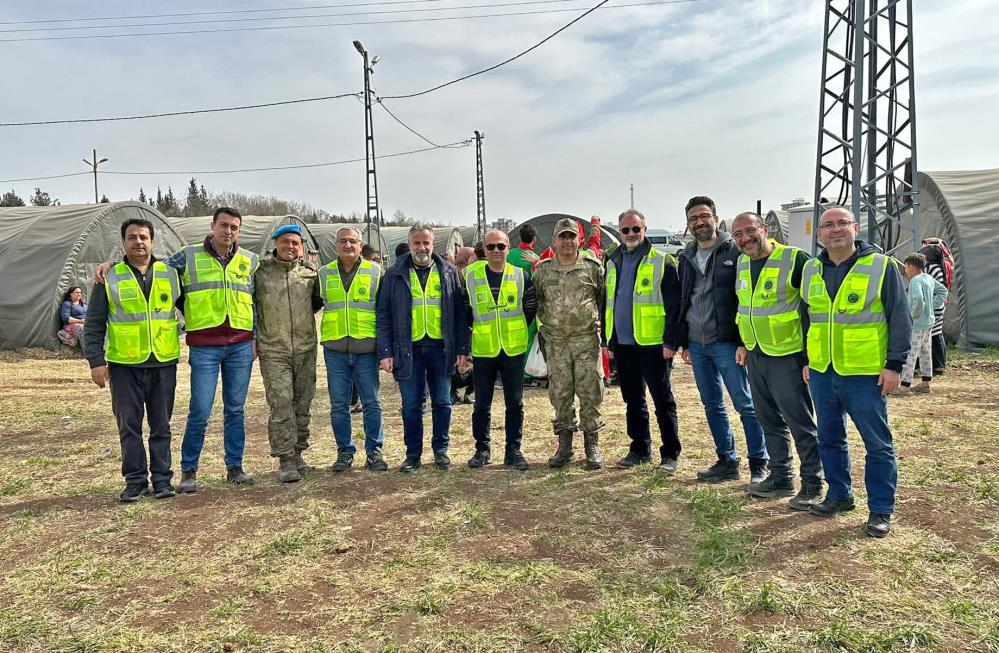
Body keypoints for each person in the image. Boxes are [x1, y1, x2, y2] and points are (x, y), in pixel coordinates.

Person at [802, 207, 910, 538]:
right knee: (830, 438)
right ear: (819, 233)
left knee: (877, 444)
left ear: (855, 228)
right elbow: (809, 317)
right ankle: (839, 494)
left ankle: (880, 509)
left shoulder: (880, 267)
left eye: (842, 223)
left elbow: (899, 316)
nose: (836, 229)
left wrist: (894, 365)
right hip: (823, 371)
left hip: (864, 374)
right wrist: (808, 359)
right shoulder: (811, 269)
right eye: (828, 225)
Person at [669, 196, 769, 484]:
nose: (699, 222)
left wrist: (742, 341)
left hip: (727, 342)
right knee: (712, 404)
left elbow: (744, 297)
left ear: (715, 217)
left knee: (745, 403)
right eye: (693, 219)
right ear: (688, 225)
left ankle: (759, 461)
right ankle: (727, 459)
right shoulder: (686, 257)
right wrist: (684, 342)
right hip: (698, 345)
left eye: (704, 216)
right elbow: (683, 299)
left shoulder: (734, 252)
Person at [731, 212, 825, 509]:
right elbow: (746, 306)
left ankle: (813, 482)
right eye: (738, 235)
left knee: (799, 421)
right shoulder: (742, 262)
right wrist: (743, 344)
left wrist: (810, 357)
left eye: (750, 231)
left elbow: (815, 309)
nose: (745, 239)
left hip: (787, 355)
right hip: (756, 355)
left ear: (765, 229)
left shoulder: (795, 260)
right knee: (768, 419)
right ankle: (781, 477)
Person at [84, 218, 182, 502]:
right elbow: (94, 323)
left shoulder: (171, 273)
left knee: (161, 425)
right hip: (124, 364)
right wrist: (95, 361)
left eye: (143, 237)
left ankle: (163, 480)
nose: (138, 242)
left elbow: (192, 307)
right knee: (129, 425)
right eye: (132, 237)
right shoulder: (110, 277)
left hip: (163, 361)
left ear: (152, 241)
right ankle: (135, 480)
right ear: (123, 242)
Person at [167, 207, 260, 492]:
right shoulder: (188, 255)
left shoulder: (250, 260)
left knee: (235, 409)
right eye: (224, 226)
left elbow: (256, 300)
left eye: (234, 227)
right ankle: (189, 471)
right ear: (212, 226)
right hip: (205, 346)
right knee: (200, 409)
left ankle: (235, 466)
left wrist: (255, 337)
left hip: (241, 346)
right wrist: (110, 266)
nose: (228, 232)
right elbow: (153, 270)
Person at [376, 224, 470, 473]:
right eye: (417, 243)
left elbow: (460, 314)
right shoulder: (394, 274)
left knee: (442, 401)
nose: (422, 248)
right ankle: (412, 454)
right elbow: (383, 314)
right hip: (409, 349)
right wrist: (385, 352)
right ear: (409, 245)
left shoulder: (448, 271)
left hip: (441, 348)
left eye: (426, 243)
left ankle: (441, 451)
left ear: (433, 245)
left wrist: (462, 347)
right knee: (411, 404)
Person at [603, 209, 682, 474]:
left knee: (662, 400)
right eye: (625, 230)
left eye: (636, 229)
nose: (631, 234)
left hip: (654, 345)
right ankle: (639, 448)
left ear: (644, 230)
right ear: (619, 232)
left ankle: (670, 453)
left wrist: (671, 341)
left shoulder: (662, 261)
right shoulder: (612, 261)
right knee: (633, 399)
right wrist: (609, 340)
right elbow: (609, 303)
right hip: (624, 345)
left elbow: (674, 306)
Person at [254, 224, 324, 483]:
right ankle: (284, 459)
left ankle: (298, 454)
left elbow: (316, 303)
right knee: (281, 402)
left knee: (303, 402)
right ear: (276, 244)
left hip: (305, 347)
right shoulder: (261, 273)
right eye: (285, 242)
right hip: (274, 349)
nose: (290, 247)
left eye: (295, 243)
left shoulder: (310, 273)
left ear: (302, 246)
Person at [533, 218, 606, 470]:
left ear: (579, 240)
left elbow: (602, 301)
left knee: (590, 393)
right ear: (553, 241)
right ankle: (564, 446)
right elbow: (537, 302)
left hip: (586, 341)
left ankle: (592, 444)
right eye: (562, 237)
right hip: (556, 344)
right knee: (560, 394)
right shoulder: (541, 271)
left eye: (571, 236)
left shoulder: (593, 268)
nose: (567, 241)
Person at [464, 229, 537, 471]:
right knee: (481, 404)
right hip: (484, 349)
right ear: (483, 249)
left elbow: (529, 308)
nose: (496, 251)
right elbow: (465, 311)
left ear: (508, 248)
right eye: (491, 246)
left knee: (514, 403)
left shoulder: (521, 275)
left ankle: (513, 450)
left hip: (513, 348)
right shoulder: (470, 277)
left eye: (501, 246)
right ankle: (482, 449)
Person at [320, 226, 388, 473]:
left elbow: (384, 312)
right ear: (335, 245)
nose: (348, 245)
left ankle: (374, 452)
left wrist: (384, 349)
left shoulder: (376, 272)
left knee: (372, 402)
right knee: (339, 404)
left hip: (366, 348)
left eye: (353, 241)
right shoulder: (324, 273)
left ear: (361, 245)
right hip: (335, 348)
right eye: (343, 241)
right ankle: (344, 452)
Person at [895, 252, 947, 395]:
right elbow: (943, 291)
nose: (905, 270)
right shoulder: (928, 278)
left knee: (911, 354)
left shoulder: (915, 281)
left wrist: (913, 315)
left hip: (917, 324)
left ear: (911, 267)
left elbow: (918, 299)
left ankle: (904, 386)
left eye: (905, 267)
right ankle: (925, 383)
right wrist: (932, 306)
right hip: (929, 322)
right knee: (925, 353)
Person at [508, 224, 542, 385]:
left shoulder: (509, 255)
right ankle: (526, 375)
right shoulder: (534, 257)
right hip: (528, 303)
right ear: (534, 238)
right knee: (527, 337)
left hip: (509, 302)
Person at [918, 238, 952, 374]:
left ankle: (936, 364)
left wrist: (929, 305)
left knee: (932, 334)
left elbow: (938, 289)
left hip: (933, 305)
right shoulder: (942, 266)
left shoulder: (932, 268)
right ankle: (938, 364)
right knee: (936, 333)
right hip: (936, 305)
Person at [59, 286, 88, 351]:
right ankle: (86, 351)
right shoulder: (67, 304)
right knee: (82, 329)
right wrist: (80, 321)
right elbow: (66, 318)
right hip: (71, 325)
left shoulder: (83, 304)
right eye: (76, 292)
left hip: (84, 322)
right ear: (71, 294)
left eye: (80, 293)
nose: (79, 294)